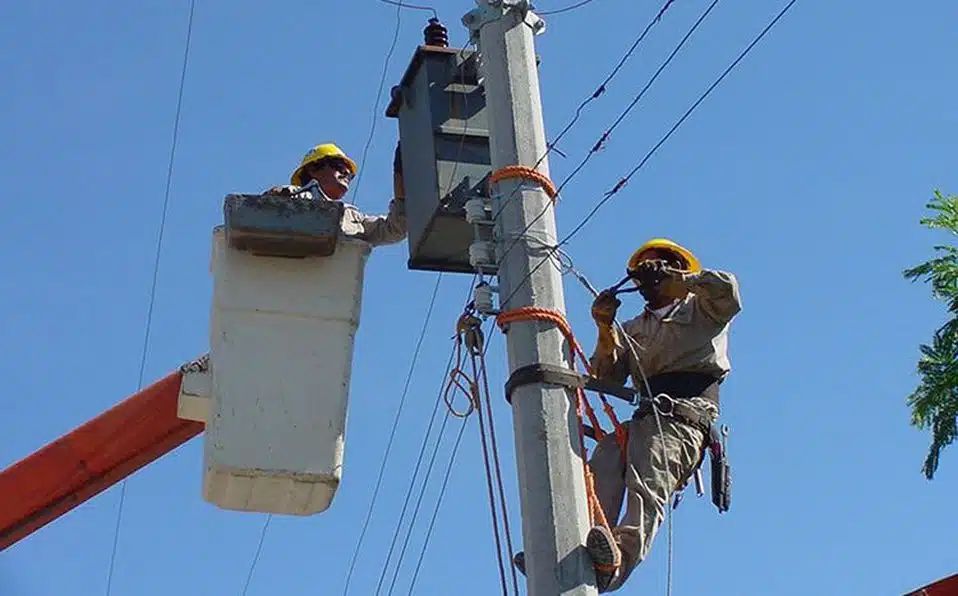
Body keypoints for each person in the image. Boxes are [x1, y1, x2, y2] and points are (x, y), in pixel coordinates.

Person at [586, 238, 741, 592]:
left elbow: (729, 292)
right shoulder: (632, 329)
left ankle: (616, 564)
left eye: (657, 268)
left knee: (646, 485)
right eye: (644, 273)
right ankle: (583, 544)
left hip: (683, 419)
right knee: (605, 459)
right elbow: (607, 377)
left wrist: (682, 281)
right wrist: (605, 328)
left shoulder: (702, 308)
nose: (649, 279)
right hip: (644, 418)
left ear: (676, 268)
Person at [265, 142, 406, 246]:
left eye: (350, 175)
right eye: (339, 166)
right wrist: (277, 197)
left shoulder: (352, 217)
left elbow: (395, 228)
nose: (346, 173)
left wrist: (401, 173)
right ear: (313, 169)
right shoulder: (291, 198)